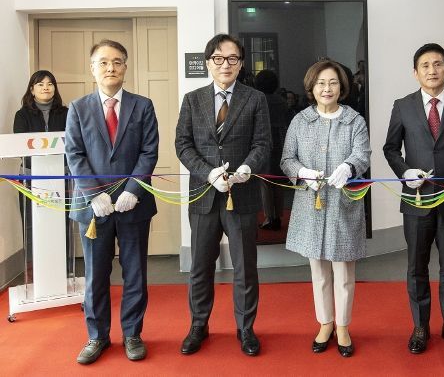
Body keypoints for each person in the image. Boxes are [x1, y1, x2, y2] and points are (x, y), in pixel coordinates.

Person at [175, 34, 272, 357]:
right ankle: (198, 325)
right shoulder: (192, 100)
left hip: (242, 195)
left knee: (245, 267)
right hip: (203, 195)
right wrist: (208, 173)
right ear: (208, 63)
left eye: (232, 59)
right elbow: (182, 144)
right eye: (218, 58)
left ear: (241, 64)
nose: (225, 64)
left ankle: (245, 328)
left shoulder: (255, 99)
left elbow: (263, 143)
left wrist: (246, 168)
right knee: (200, 266)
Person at [383, 43, 444, 355]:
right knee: (417, 266)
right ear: (415, 72)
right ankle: (420, 326)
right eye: (425, 65)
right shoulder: (403, 106)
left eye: (438, 64)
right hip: (417, 199)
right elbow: (390, 148)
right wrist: (404, 172)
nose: (432, 70)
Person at [65, 40, 159, 364]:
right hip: (93, 210)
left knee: (135, 273)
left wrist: (133, 190)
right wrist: (93, 194)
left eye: (117, 62)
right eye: (103, 62)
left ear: (125, 67)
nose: (110, 68)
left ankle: (132, 334)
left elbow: (149, 151)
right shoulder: (78, 108)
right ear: (92, 68)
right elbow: (75, 155)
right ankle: (97, 336)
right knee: (95, 275)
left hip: (134, 205)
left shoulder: (143, 106)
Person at [280, 59, 371, 358]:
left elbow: (363, 154)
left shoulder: (354, 120)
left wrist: (349, 166)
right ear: (312, 87)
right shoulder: (300, 120)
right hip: (311, 205)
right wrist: (302, 172)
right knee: (318, 271)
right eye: (321, 83)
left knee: (344, 273)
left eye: (333, 83)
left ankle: (343, 326)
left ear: (341, 87)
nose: (327, 88)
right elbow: (287, 159)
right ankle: (325, 323)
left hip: (343, 206)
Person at [14, 70, 69, 255]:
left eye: (50, 84)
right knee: (32, 221)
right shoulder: (22, 115)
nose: (46, 87)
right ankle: (33, 262)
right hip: (31, 177)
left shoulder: (66, 113)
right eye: (40, 84)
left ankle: (62, 261)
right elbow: (20, 145)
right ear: (32, 89)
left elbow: (73, 142)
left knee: (62, 220)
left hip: (62, 176)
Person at [254, 69, 289, 230]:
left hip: (265, 141)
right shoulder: (282, 101)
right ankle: (279, 216)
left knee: (265, 181)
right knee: (278, 181)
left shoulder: (259, 99)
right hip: (280, 141)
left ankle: (269, 217)